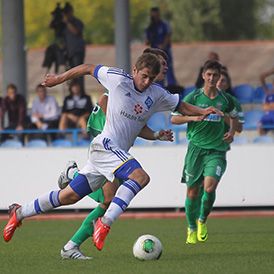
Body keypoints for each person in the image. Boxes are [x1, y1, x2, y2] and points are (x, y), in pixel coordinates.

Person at [3, 53, 222, 253]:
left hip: (112, 154)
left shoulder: (156, 94)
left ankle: (19, 213)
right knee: (140, 177)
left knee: (67, 196)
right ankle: (105, 223)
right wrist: (59, 79)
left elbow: (181, 106)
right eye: (144, 76)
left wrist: (202, 111)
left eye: (151, 78)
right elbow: (88, 67)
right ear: (135, 70)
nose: (146, 82)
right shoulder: (118, 79)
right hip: (105, 145)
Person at [58, 48, 171, 260]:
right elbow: (104, 102)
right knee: (109, 198)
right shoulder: (124, 85)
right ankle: (72, 175)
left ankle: (71, 246)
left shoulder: (148, 94)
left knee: (107, 202)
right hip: (105, 142)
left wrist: (156, 134)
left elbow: (138, 126)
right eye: (162, 63)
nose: (165, 67)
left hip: (116, 149)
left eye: (165, 64)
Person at [171, 60, 238, 245]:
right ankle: (191, 227)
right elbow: (174, 119)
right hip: (195, 150)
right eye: (208, 74)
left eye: (215, 75)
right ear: (203, 75)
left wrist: (231, 132)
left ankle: (202, 220)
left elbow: (234, 117)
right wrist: (195, 116)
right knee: (192, 192)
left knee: (209, 187)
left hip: (216, 150)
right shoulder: (193, 97)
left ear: (219, 77)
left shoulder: (225, 99)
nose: (211, 78)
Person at [145, 7, 177, 87]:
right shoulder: (150, 27)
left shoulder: (164, 25)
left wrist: (163, 45)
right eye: (153, 15)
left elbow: (168, 35)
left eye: (156, 15)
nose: (155, 17)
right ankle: (158, 85)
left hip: (165, 51)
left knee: (167, 67)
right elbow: (147, 40)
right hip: (155, 53)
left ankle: (171, 86)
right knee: (156, 68)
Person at [62, 2, 85, 92]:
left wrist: (67, 22)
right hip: (68, 52)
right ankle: (72, 93)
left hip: (77, 51)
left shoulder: (77, 22)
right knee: (69, 75)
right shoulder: (63, 25)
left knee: (78, 73)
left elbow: (76, 32)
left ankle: (81, 93)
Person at [259, 68, 274, 135]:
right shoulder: (269, 93)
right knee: (260, 125)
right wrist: (271, 71)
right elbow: (262, 77)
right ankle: (262, 141)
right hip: (268, 117)